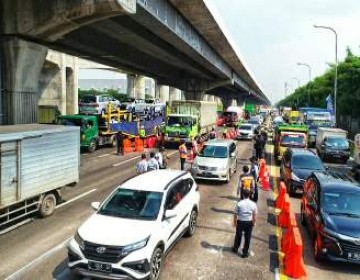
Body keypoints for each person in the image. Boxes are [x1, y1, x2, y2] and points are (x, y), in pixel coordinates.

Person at [232, 189, 257, 258]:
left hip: (240, 222)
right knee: (247, 237)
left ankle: (235, 248)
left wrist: (235, 222)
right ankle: (245, 253)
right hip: (249, 223)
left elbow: (235, 214)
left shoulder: (239, 203)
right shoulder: (253, 204)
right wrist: (254, 223)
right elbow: (254, 215)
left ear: (243, 195)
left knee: (238, 236)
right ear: (249, 195)